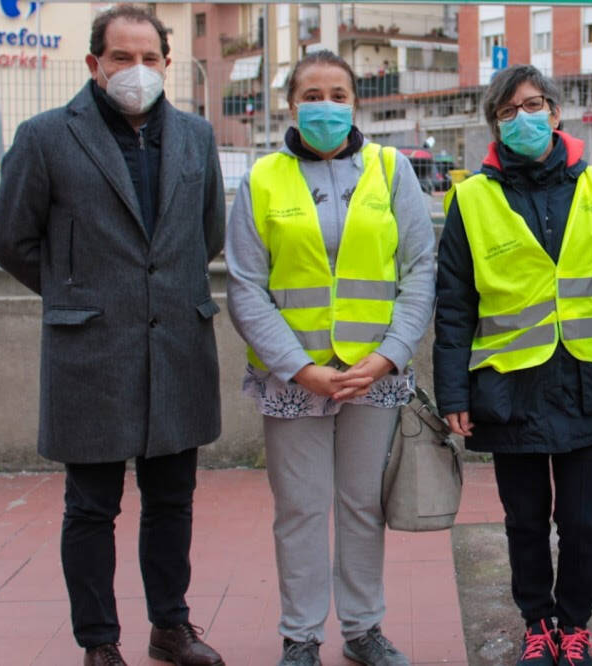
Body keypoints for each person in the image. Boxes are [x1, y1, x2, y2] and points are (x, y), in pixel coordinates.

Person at [0, 6, 226, 666]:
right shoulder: (45, 138)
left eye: (150, 58)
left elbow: (208, 235)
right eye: (122, 57)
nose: (137, 71)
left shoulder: (197, 138)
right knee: (91, 507)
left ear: (168, 66)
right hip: (90, 353)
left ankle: (169, 627)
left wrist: (155, 295)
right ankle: (99, 641)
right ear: (94, 64)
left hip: (177, 346)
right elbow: (10, 239)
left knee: (172, 501)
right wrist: (78, 293)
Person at [225, 50, 435, 666]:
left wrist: (392, 354)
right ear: (291, 104)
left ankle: (364, 628)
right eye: (312, 94)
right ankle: (300, 636)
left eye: (338, 94)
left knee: (362, 505)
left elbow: (420, 270)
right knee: (299, 509)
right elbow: (245, 284)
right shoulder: (262, 179)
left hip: (374, 375)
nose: (326, 105)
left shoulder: (392, 169)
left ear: (355, 102)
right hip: (295, 378)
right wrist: (299, 368)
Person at [434, 64, 592, 666]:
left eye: (534, 105)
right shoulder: (472, 197)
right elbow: (455, 303)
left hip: (591, 384)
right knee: (525, 521)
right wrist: (454, 393)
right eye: (508, 110)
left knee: (580, 523)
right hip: (508, 390)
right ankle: (537, 623)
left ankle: (574, 626)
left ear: (555, 112)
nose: (524, 118)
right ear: (495, 126)